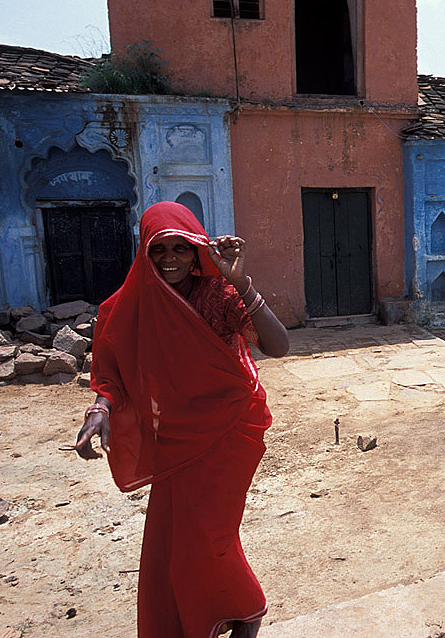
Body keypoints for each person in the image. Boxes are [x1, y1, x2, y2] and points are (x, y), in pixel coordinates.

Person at [75, 201, 289, 638]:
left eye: (180, 247)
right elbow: (113, 369)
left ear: (196, 251)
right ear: (144, 251)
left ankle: (246, 610)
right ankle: (206, 615)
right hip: (175, 436)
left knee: (210, 533)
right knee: (174, 539)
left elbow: (278, 346)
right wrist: (100, 408)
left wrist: (241, 282)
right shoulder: (129, 305)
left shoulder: (218, 294)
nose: (169, 258)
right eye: (159, 249)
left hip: (231, 428)